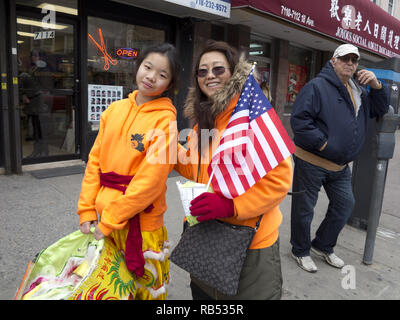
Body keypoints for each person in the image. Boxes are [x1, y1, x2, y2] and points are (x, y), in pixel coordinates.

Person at [175, 40, 293, 300]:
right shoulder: (203, 123)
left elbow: (279, 180)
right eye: (202, 71)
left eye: (218, 69)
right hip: (205, 237)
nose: (210, 76)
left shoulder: (253, 116)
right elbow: (195, 168)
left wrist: (231, 206)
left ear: (232, 73)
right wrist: (169, 150)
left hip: (250, 245)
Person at [76, 43, 180, 300]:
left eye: (162, 74)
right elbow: (95, 163)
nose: (151, 77)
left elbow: (151, 182)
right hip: (104, 220)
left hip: (141, 225)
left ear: (169, 84)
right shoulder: (113, 110)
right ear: (138, 66)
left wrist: (112, 218)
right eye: (147, 67)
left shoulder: (166, 121)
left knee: (143, 291)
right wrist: (87, 209)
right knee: (109, 289)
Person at [290, 43, 389, 273]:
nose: (350, 64)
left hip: (340, 165)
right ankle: (300, 250)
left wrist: (377, 85)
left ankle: (322, 245)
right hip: (312, 161)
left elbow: (380, 108)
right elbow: (300, 121)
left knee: (345, 205)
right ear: (333, 61)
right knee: (304, 210)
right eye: (345, 59)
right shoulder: (317, 86)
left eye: (354, 60)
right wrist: (324, 144)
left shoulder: (358, 90)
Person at [20, 49, 53, 157]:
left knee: (41, 128)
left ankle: (44, 151)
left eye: (36, 55)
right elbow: (28, 85)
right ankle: (36, 151)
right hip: (32, 103)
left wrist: (29, 95)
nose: (33, 57)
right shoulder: (32, 69)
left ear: (41, 57)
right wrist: (24, 95)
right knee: (35, 128)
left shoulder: (44, 69)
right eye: (32, 55)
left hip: (40, 102)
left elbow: (44, 87)